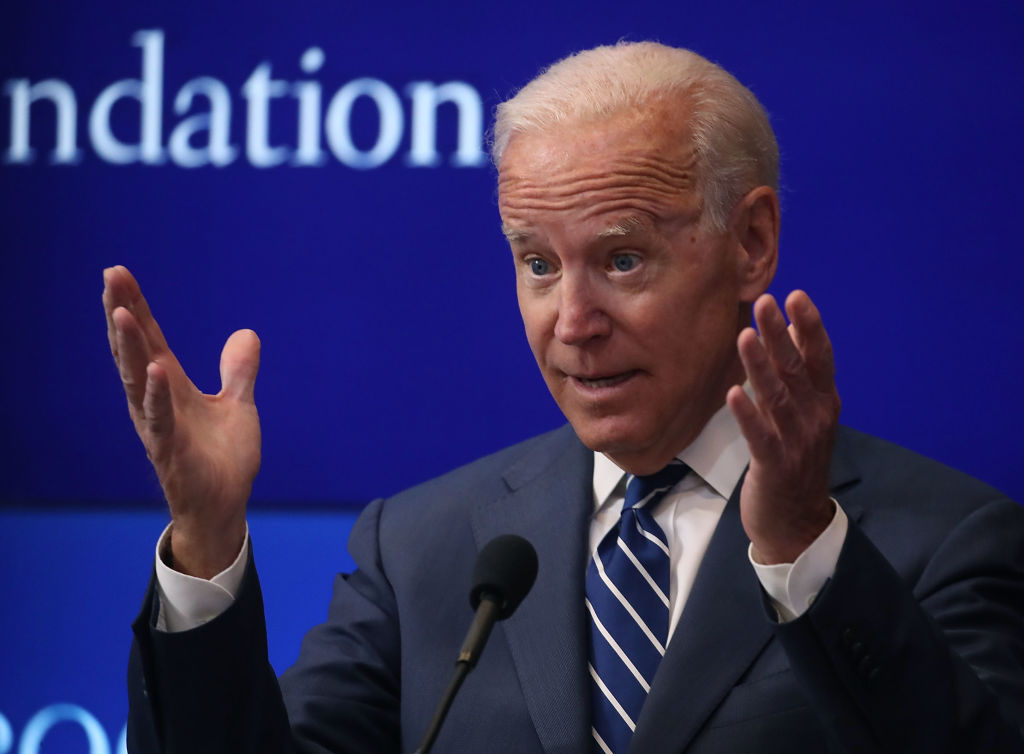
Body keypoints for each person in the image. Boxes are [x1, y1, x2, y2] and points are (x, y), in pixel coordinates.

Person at [104, 42, 1024, 753]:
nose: (572, 321)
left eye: (622, 259)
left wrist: (802, 551)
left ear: (751, 241)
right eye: (538, 265)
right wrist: (207, 540)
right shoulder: (426, 548)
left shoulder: (943, 542)